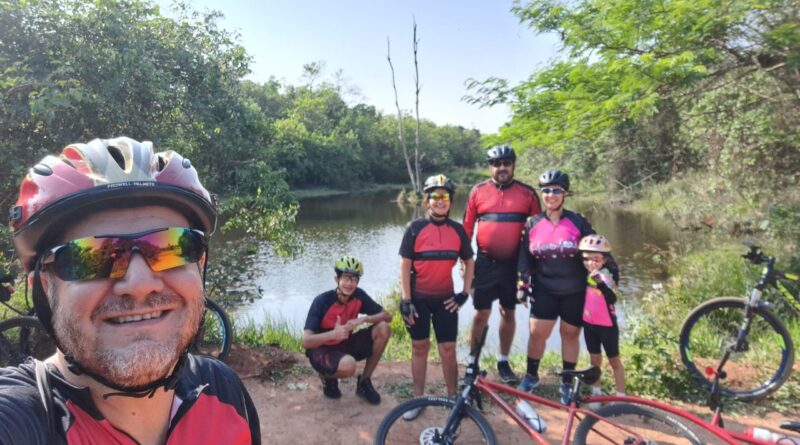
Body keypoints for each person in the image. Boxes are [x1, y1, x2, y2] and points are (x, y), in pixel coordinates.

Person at [1, 137, 260, 444]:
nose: (139, 285)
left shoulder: (223, 389)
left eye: (173, 247)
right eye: (93, 255)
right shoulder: (20, 419)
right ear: (45, 286)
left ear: (199, 264)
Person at [516, 169, 597, 405]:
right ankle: (531, 377)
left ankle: (567, 382)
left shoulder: (578, 221)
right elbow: (524, 258)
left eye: (556, 191)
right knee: (537, 334)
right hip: (544, 289)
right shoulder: (532, 223)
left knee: (570, 334)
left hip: (574, 290)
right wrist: (522, 283)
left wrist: (603, 272)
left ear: (564, 194)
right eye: (546, 191)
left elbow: (597, 250)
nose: (550, 195)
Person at [462, 145, 540, 384]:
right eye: (497, 164)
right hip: (485, 262)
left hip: (514, 265)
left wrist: (534, 269)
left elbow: (537, 231)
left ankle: (503, 361)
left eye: (506, 163)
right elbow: (466, 228)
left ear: (513, 165)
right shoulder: (478, 191)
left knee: (508, 311)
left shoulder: (527, 193)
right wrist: (465, 262)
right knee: (480, 313)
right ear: (490, 167)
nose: (502, 168)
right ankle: (472, 362)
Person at [399, 174, 474, 420]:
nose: (440, 201)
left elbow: (469, 261)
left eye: (445, 196)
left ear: (451, 201)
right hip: (418, 298)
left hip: (445, 299)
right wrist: (406, 300)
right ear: (427, 201)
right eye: (435, 196)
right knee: (420, 346)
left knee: (448, 348)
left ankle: (453, 398)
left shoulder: (458, 230)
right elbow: (405, 264)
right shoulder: (415, 228)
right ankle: (418, 398)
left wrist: (464, 293)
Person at [302, 256, 392, 405]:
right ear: (336, 279)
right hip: (322, 350)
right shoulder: (322, 301)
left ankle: (364, 382)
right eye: (346, 278)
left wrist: (363, 319)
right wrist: (333, 334)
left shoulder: (359, 296)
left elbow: (387, 316)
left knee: (383, 328)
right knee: (349, 366)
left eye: (354, 279)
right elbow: (306, 341)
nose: (350, 284)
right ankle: (328, 377)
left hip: (345, 343)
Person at [578, 234, 625, 399]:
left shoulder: (607, 275)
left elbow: (612, 298)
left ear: (604, 260)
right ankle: (596, 393)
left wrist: (599, 282)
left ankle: (621, 396)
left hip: (607, 325)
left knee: (614, 361)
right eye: (586, 259)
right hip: (590, 324)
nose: (591, 263)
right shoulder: (581, 274)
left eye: (596, 259)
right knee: (594, 360)